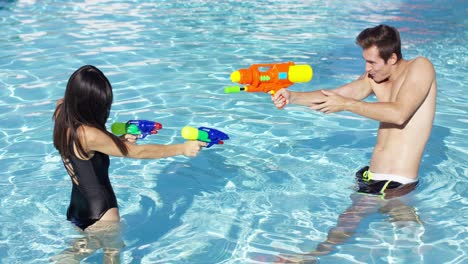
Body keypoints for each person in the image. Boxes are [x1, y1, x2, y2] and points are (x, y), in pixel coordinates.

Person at [272, 24, 436, 260]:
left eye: (372, 62)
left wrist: (348, 105)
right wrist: (293, 97)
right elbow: (337, 95)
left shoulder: (420, 67)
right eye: (365, 61)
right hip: (374, 177)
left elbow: (400, 113)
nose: (367, 68)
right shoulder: (374, 78)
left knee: (355, 220)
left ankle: (311, 257)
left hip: (397, 181)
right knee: (399, 229)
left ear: (392, 58)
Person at [52, 65, 206, 243]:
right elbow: (138, 152)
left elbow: (85, 152)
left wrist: (118, 140)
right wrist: (182, 148)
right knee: (110, 255)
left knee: (74, 254)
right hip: (102, 214)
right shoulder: (90, 135)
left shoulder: (61, 112)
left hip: (77, 208)